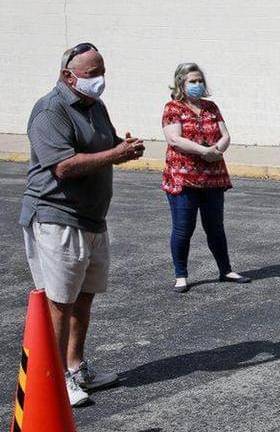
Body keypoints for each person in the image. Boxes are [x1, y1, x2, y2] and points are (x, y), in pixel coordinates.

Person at [20, 42, 145, 406]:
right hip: (57, 217)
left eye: (102, 71)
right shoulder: (50, 111)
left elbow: (103, 146)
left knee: (84, 296)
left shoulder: (96, 106)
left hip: (93, 219)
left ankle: (76, 367)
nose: (100, 79)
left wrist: (124, 147)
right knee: (60, 302)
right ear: (68, 75)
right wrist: (114, 154)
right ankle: (56, 377)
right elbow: (63, 166)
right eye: (92, 74)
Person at [161, 63, 250, 293]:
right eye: (192, 81)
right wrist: (204, 152)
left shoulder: (211, 107)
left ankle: (225, 270)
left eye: (200, 81)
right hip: (183, 178)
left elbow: (225, 134)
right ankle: (181, 275)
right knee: (183, 228)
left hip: (213, 177)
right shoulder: (173, 108)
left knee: (215, 227)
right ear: (181, 83)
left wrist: (217, 149)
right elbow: (174, 139)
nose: (198, 85)